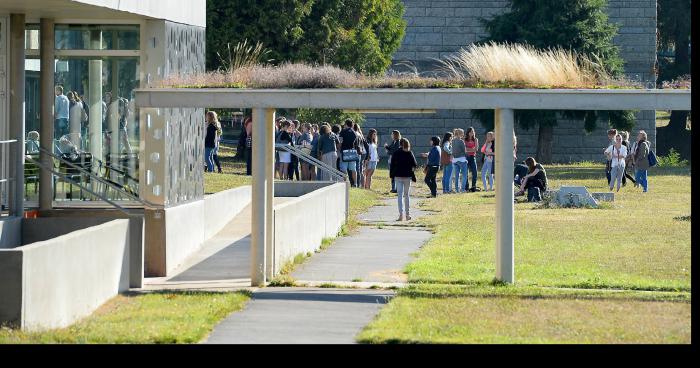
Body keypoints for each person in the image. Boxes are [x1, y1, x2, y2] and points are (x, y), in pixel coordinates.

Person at [390, 138, 417, 221]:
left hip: (398, 176)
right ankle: (408, 215)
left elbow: (392, 164)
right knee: (406, 195)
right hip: (407, 176)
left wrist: (391, 175)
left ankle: (401, 215)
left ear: (400, 144)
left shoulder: (396, 153)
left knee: (399, 196)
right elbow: (415, 164)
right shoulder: (409, 153)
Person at [338, 119, 359, 187]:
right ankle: (355, 183)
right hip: (352, 152)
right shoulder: (354, 132)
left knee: (344, 169)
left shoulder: (342, 132)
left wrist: (338, 148)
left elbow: (340, 142)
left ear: (346, 124)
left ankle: (345, 183)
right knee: (353, 169)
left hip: (344, 152)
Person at [451, 128, 468, 193]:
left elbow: (453, 150)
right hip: (462, 159)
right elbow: (464, 151)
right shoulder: (461, 141)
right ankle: (463, 189)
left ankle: (457, 189)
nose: (463, 134)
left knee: (456, 176)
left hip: (455, 160)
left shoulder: (452, 141)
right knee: (464, 175)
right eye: (462, 133)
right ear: (460, 134)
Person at [464, 127, 479, 192]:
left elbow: (476, 149)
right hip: (466, 157)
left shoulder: (475, 139)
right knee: (466, 173)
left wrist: (468, 149)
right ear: (468, 132)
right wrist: (472, 149)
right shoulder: (464, 139)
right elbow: (464, 150)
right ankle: (466, 187)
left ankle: (473, 187)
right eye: (470, 132)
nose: (472, 133)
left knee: (475, 172)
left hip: (473, 157)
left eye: (473, 132)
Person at [353, 123, 368, 188]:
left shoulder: (355, 133)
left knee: (358, 169)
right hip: (363, 152)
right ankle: (362, 185)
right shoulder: (360, 134)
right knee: (360, 169)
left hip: (359, 152)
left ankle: (359, 184)